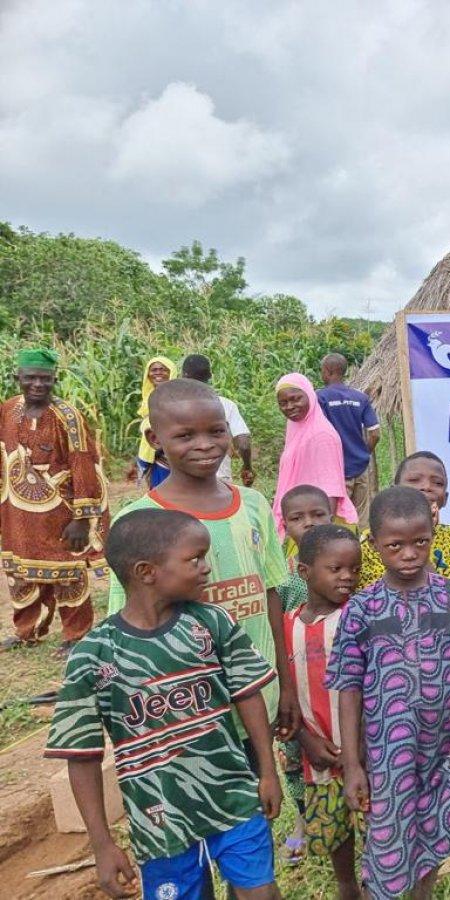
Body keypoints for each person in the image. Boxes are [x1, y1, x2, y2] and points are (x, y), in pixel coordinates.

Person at [46, 508, 282, 900]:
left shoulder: (211, 623)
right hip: (160, 824)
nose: (207, 568)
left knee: (262, 893)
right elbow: (81, 754)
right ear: (146, 572)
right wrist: (102, 844)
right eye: (195, 559)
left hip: (234, 801)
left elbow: (247, 693)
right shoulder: (93, 655)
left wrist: (268, 772)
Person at [107, 378, 299, 756]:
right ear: (155, 438)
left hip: (259, 698)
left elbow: (271, 596)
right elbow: (127, 628)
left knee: (260, 787)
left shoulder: (254, 505)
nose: (205, 445)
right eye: (185, 435)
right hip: (186, 712)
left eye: (216, 431)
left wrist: (285, 684)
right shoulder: (139, 522)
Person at [328, 487, 450, 900]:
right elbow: (348, 688)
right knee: (389, 836)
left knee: (431, 832)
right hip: (387, 755)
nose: (410, 554)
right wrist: (352, 763)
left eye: (420, 541)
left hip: (439, 749)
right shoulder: (362, 609)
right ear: (375, 544)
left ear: (433, 532)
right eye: (395, 545)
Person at [0, 348, 109, 655]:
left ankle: (76, 635)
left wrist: (82, 518)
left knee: (68, 572)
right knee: (19, 572)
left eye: (45, 379)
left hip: (59, 510)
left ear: (54, 380)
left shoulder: (68, 416)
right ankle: (27, 631)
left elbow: (84, 464)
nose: (37, 384)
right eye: (30, 378)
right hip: (17, 511)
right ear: (18, 378)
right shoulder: (8, 410)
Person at [285, 524, 363, 900]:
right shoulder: (286, 626)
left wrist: (360, 748)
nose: (347, 577)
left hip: (365, 752)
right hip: (318, 754)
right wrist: (305, 740)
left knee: (374, 821)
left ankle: (380, 884)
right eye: (336, 569)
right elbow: (282, 696)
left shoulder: (357, 619)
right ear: (304, 572)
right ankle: (347, 886)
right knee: (334, 827)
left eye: (354, 569)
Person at [276, 483, 336, 865]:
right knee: (295, 755)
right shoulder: (283, 580)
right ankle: (303, 818)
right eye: (298, 518)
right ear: (285, 526)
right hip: (298, 681)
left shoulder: (346, 565)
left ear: (333, 515)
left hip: (337, 682)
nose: (309, 523)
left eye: (318, 514)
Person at [358, 451, 450, 590]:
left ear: (445, 498)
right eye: (414, 480)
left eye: (437, 483)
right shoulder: (374, 539)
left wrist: (426, 529)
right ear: (395, 489)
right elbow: (372, 594)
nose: (426, 487)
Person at [275, 372, 356, 536]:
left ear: (310, 396)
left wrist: (324, 536)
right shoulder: (296, 428)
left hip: (317, 527)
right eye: (283, 403)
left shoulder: (321, 436)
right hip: (304, 521)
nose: (289, 406)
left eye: (296, 399)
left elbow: (331, 488)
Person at [317, 353, 381, 522]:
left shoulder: (320, 398)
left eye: (322, 370)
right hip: (360, 468)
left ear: (328, 371)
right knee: (362, 520)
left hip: (335, 471)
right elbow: (375, 434)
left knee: (338, 519)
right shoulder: (361, 398)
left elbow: (319, 434)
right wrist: (363, 453)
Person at [181, 353, 255, 488]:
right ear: (210, 376)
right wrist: (247, 466)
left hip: (185, 480)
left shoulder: (175, 408)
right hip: (219, 479)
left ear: (183, 377)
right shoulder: (226, 405)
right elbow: (244, 444)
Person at [131, 356, 176, 488]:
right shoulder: (149, 397)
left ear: (171, 372)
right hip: (155, 457)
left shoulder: (176, 396)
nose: (158, 373)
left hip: (169, 456)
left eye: (163, 369)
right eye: (154, 370)